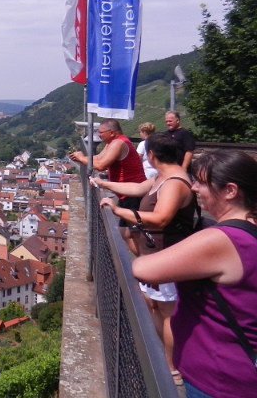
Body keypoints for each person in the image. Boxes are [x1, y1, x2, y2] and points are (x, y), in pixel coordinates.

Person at [131, 150, 257, 398]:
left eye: (202, 182)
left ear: (230, 190)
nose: (195, 188)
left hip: (218, 379)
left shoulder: (223, 240)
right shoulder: (249, 230)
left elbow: (143, 269)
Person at [96, 132, 195, 386]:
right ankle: (165, 358)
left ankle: (172, 367)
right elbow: (137, 188)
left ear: (151, 154)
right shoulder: (162, 177)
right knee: (153, 304)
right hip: (157, 254)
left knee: (167, 312)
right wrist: (104, 184)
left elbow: (161, 217)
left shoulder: (174, 182)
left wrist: (122, 211)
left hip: (169, 255)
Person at [69, 119, 146, 250]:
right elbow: (98, 158)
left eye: (101, 132)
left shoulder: (119, 143)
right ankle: (141, 261)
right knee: (125, 232)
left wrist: (82, 157)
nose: (99, 135)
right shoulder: (112, 143)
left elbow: (100, 165)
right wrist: (81, 158)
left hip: (133, 193)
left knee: (137, 234)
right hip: (125, 193)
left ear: (111, 132)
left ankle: (144, 264)